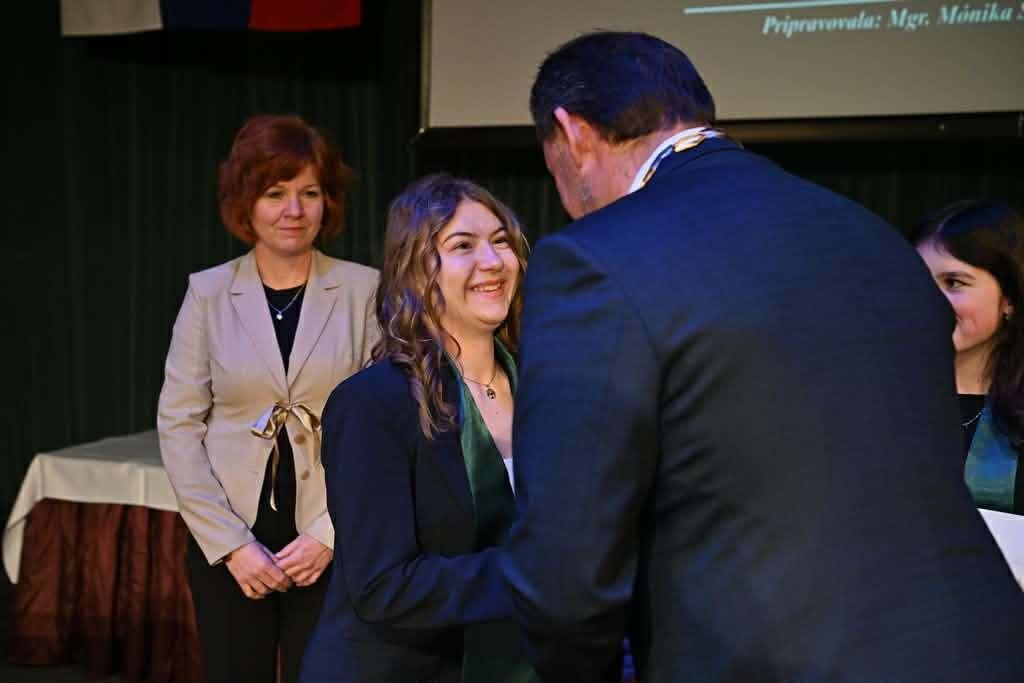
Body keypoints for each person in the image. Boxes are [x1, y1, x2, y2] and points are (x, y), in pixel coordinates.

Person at [503, 31, 1024, 683]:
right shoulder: (870, 235)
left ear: (573, 133)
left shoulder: (593, 259)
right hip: (979, 645)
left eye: (553, 170)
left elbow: (566, 575)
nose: (566, 199)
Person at [157, 114, 379, 683]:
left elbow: (384, 428)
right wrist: (232, 546)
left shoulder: (365, 290)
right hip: (231, 536)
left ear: (328, 203)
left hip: (334, 533)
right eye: (275, 193)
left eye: (310, 193)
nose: (293, 210)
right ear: (245, 204)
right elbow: (179, 426)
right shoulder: (208, 293)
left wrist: (329, 534)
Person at [300, 174, 536, 683]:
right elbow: (382, 585)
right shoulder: (372, 404)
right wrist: (539, 573)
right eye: (462, 246)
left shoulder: (546, 390)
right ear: (415, 269)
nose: (492, 261)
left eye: (501, 242)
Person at [911, 200, 1024, 513]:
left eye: (954, 282)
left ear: (1010, 299)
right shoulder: (874, 398)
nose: (929, 299)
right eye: (917, 279)